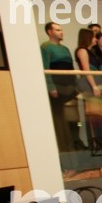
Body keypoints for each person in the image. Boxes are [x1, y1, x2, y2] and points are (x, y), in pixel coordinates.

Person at [41, 21, 78, 151]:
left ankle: (75, 147)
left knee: (74, 120)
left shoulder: (65, 49)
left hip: (70, 87)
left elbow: (71, 69)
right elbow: (45, 68)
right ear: (49, 32)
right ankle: (64, 149)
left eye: (61, 30)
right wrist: (51, 87)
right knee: (59, 120)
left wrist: (76, 85)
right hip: (57, 88)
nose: (61, 32)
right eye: (57, 30)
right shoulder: (45, 47)